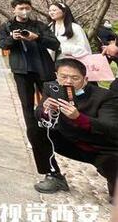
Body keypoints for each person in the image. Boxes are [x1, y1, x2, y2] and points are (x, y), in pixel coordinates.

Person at [0, 0, 64, 192]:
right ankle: (34, 133)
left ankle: (55, 129)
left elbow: (55, 43)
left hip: (43, 69)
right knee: (27, 108)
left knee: (53, 104)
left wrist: (37, 37)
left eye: (27, 8)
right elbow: (2, 44)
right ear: (14, 9)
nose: (24, 11)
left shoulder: (40, 25)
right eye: (21, 8)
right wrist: (13, 38)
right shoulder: (7, 26)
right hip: (21, 71)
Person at [35, 58, 118, 201]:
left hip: (100, 147)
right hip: (70, 142)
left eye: (74, 78)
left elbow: (111, 127)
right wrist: (45, 111)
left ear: (85, 79)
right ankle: (54, 175)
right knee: (35, 130)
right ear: (56, 76)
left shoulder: (105, 96)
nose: (68, 82)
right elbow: (39, 113)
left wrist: (79, 118)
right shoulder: (52, 88)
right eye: (63, 77)